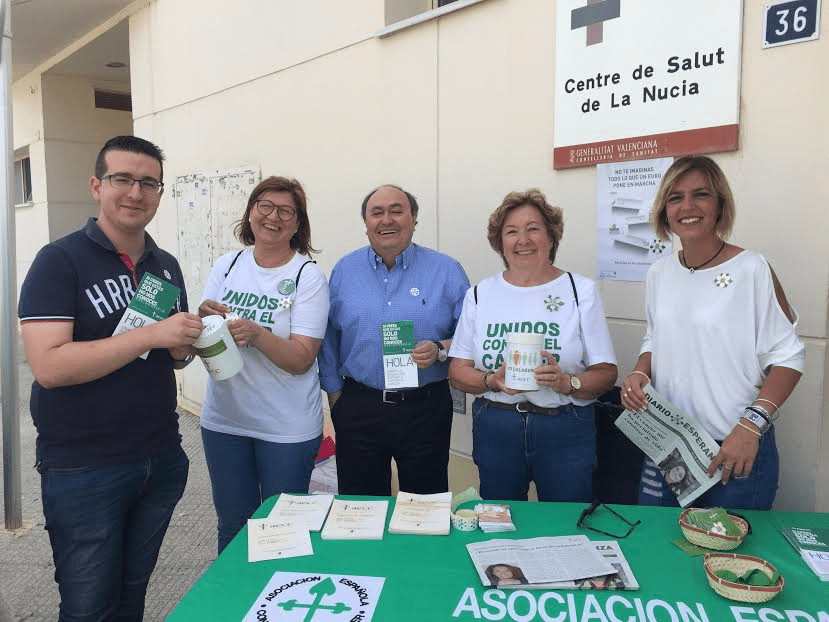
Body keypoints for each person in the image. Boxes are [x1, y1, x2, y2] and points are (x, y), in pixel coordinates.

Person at [18, 135, 203, 621]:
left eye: (148, 183)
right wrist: (151, 336)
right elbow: (50, 367)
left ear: (159, 193)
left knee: (131, 595)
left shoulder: (165, 266)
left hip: (159, 457)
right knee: (87, 607)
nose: (135, 193)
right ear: (96, 185)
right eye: (122, 179)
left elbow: (167, 356)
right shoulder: (59, 261)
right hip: (86, 466)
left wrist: (183, 342)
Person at [620, 155, 804, 510]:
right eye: (675, 197)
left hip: (734, 447)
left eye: (700, 194)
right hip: (670, 443)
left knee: (727, 558)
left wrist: (752, 426)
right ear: (664, 210)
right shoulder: (659, 273)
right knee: (660, 550)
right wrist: (640, 371)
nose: (687, 206)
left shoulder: (751, 269)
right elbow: (656, 338)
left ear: (720, 205)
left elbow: (789, 356)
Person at [448, 189, 617, 502]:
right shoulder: (480, 294)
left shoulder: (580, 291)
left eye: (533, 228)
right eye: (511, 231)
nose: (522, 240)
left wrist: (567, 382)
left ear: (551, 236)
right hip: (497, 425)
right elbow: (458, 371)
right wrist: (491, 380)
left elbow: (606, 373)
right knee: (500, 521)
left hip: (564, 426)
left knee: (567, 523)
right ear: (500, 242)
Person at [198, 176, 329, 552]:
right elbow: (207, 333)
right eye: (264, 206)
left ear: (298, 223)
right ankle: (234, 606)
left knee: (282, 531)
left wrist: (257, 334)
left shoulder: (307, 277)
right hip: (224, 419)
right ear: (251, 212)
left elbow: (302, 360)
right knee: (233, 524)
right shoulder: (227, 265)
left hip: (285, 427)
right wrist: (204, 318)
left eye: (286, 210)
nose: (273, 216)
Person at [318, 184, 470, 496]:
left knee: (424, 507)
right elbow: (328, 335)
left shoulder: (447, 270)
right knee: (361, 507)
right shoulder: (345, 270)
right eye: (377, 212)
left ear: (414, 218)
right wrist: (335, 395)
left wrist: (441, 349)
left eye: (397, 211)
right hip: (359, 405)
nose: (387, 219)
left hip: (425, 408)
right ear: (366, 222)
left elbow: (472, 335)